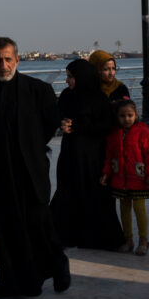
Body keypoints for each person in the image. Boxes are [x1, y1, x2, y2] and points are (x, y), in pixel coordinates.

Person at [0, 37, 70, 298]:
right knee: (2, 228)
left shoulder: (38, 90)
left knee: (37, 224)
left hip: (30, 171)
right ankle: (10, 280)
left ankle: (57, 264)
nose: (3, 65)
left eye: (7, 59)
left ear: (17, 60)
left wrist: (30, 147)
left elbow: (50, 124)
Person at [50, 59, 126, 250]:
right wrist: (63, 123)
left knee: (94, 194)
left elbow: (104, 126)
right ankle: (62, 235)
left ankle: (96, 238)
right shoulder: (68, 95)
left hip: (92, 155)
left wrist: (77, 127)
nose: (67, 81)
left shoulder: (98, 99)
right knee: (67, 190)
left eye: (70, 77)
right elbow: (58, 114)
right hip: (70, 152)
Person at [101, 100, 149, 255]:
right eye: (122, 116)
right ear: (116, 117)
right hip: (120, 180)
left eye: (130, 115)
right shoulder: (114, 135)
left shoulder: (143, 132)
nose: (126, 119)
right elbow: (109, 156)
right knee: (124, 210)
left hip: (139, 179)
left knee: (139, 209)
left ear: (136, 115)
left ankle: (143, 240)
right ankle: (128, 240)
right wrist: (106, 173)